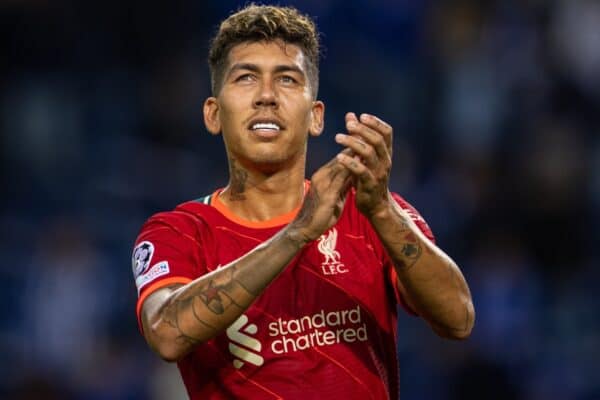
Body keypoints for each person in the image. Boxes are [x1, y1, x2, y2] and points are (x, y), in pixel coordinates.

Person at [131, 4, 474, 399]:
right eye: (245, 78)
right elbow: (166, 334)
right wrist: (297, 233)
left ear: (316, 117)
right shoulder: (180, 231)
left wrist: (381, 209)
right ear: (213, 114)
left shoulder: (371, 211)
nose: (266, 96)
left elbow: (458, 319)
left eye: (287, 80)